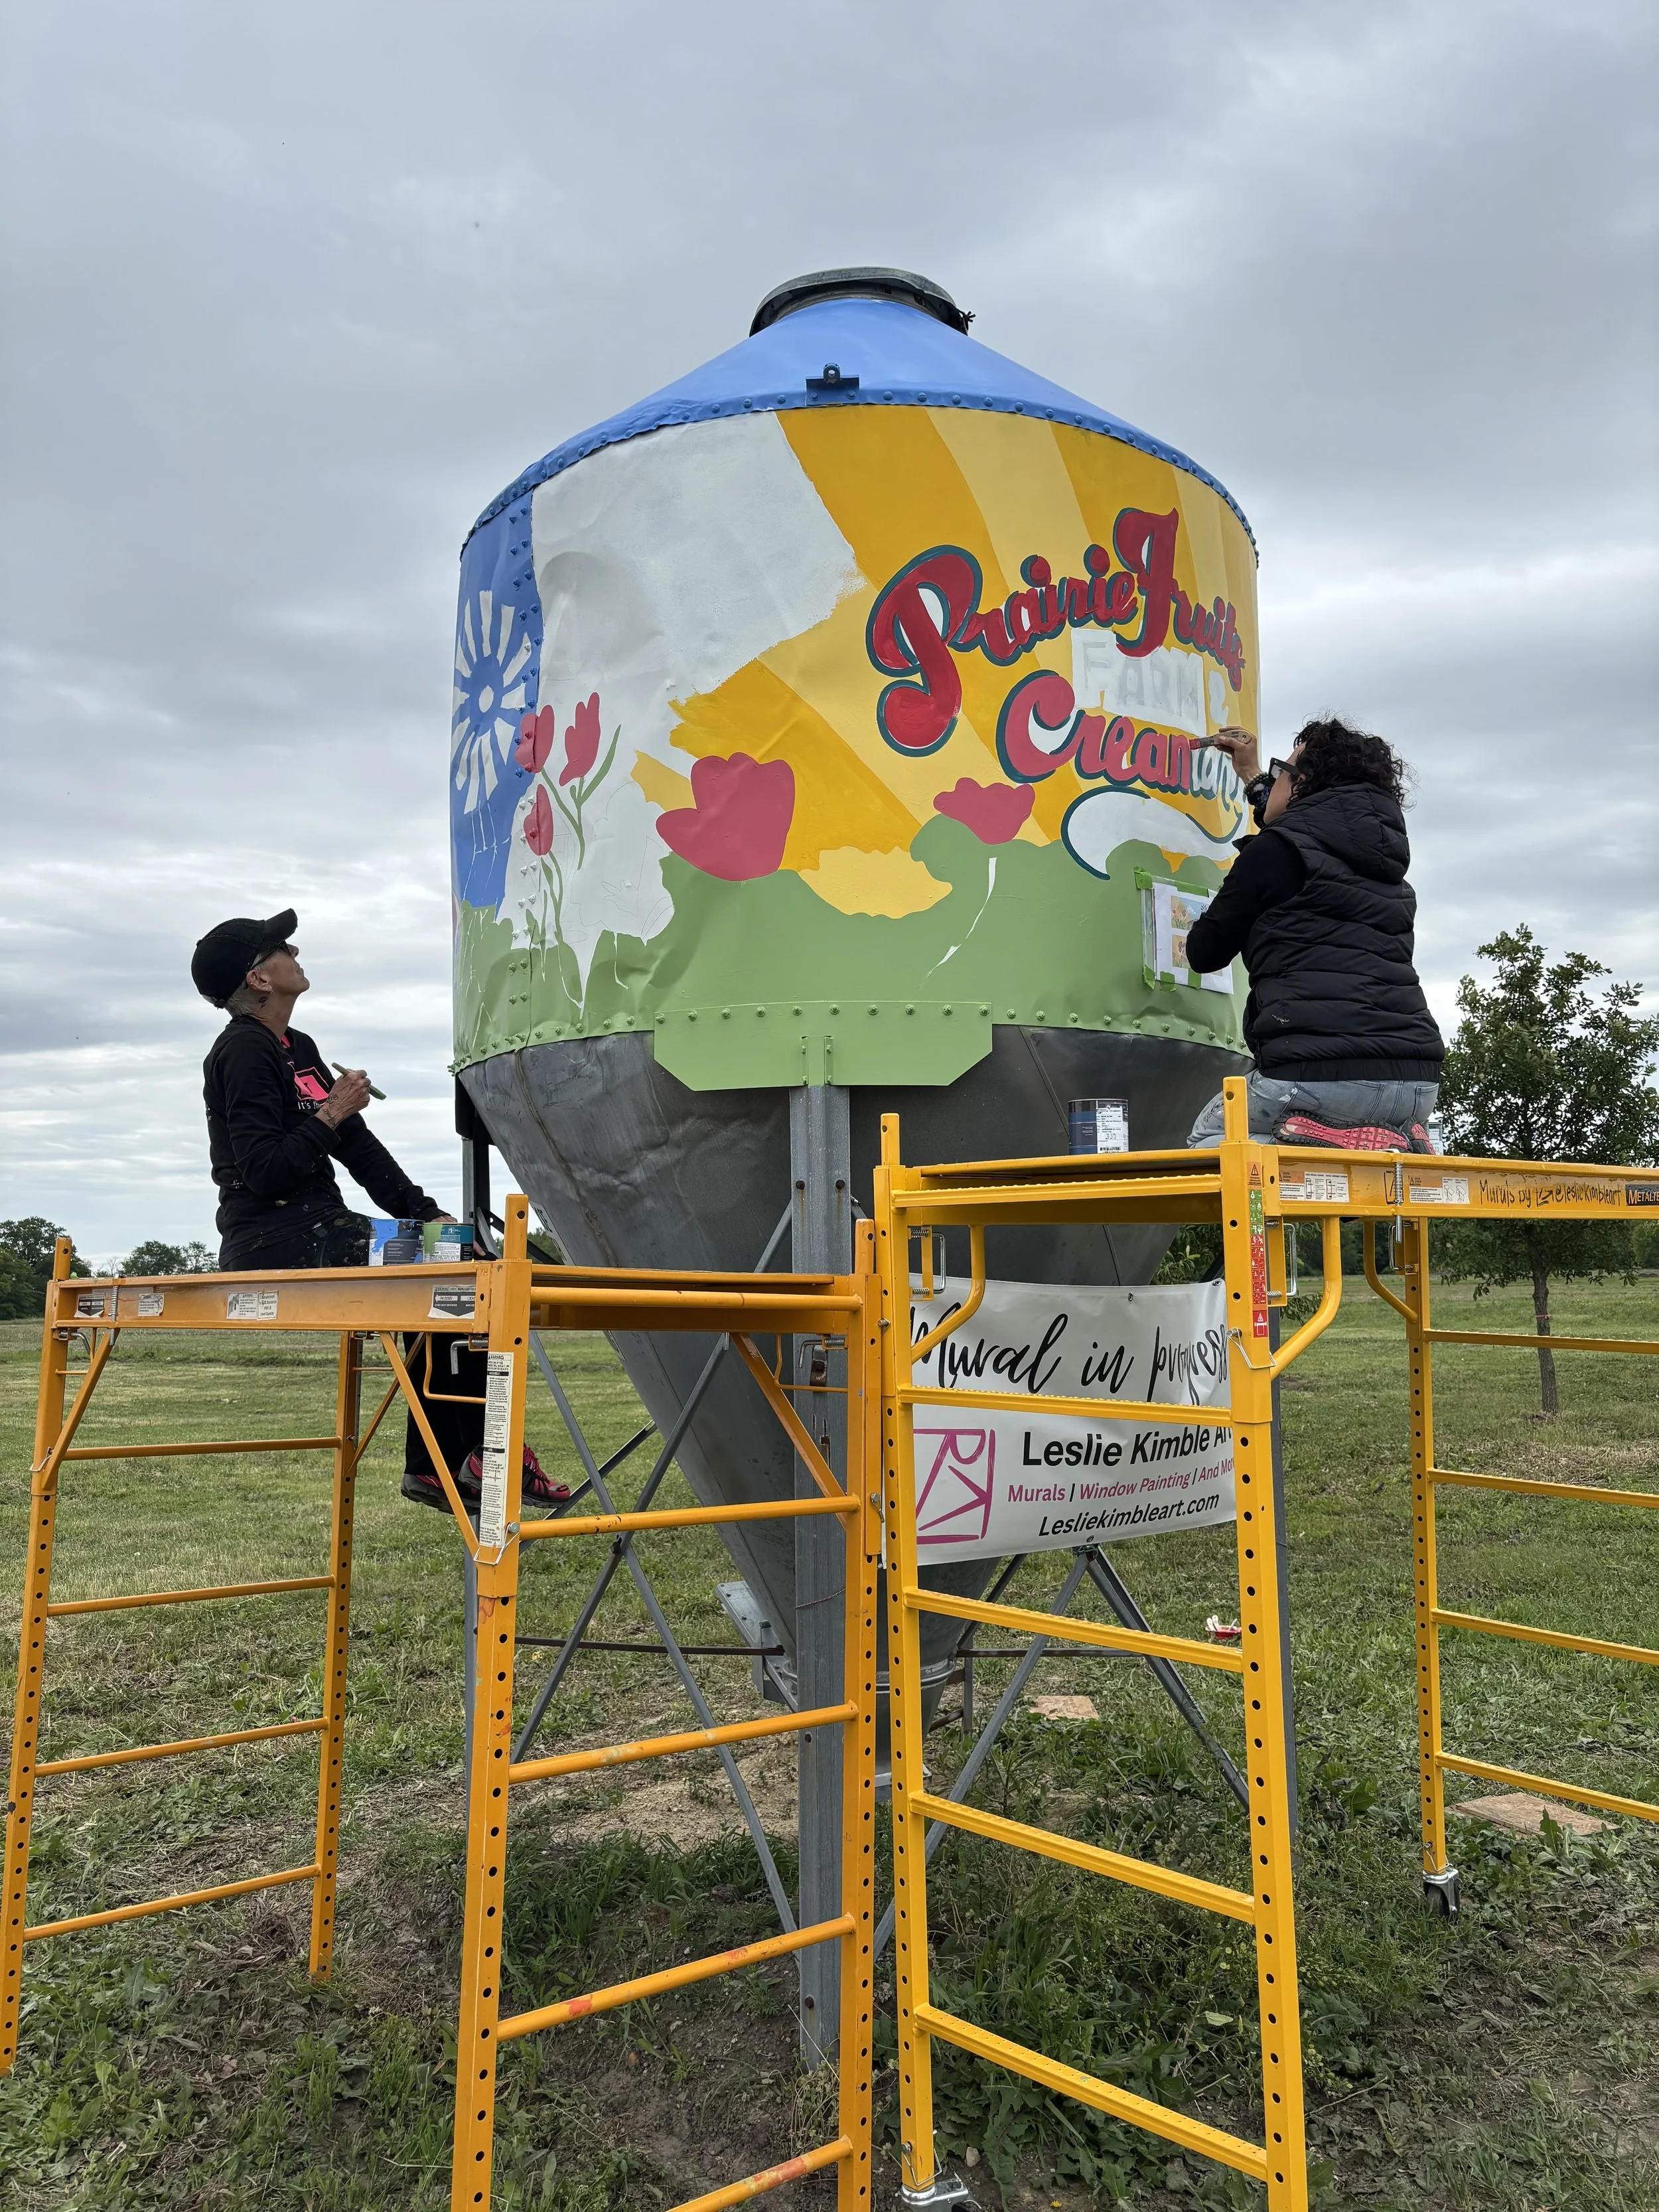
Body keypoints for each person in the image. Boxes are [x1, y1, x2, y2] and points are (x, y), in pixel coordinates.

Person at [191, 909, 565, 1511]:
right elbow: (263, 1171)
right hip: (273, 1238)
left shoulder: (299, 1048)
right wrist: (332, 1112)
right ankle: (465, 1458)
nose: (295, 950)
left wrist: (435, 1216)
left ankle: (446, 1462)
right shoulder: (243, 1052)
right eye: (281, 946)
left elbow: (362, 1153)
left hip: (324, 1225)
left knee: (459, 1251)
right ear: (260, 979)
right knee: (450, 1273)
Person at [1181, 719, 1443, 1151]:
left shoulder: (1272, 855)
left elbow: (1205, 951)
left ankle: (1321, 1140)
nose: (1275, 776)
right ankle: (1378, 1141)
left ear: (1303, 785)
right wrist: (1252, 778)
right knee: (1340, 1175)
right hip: (1415, 1085)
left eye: (1281, 768)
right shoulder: (1385, 869)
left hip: (1320, 1076)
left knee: (1213, 1141)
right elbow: (1302, 837)